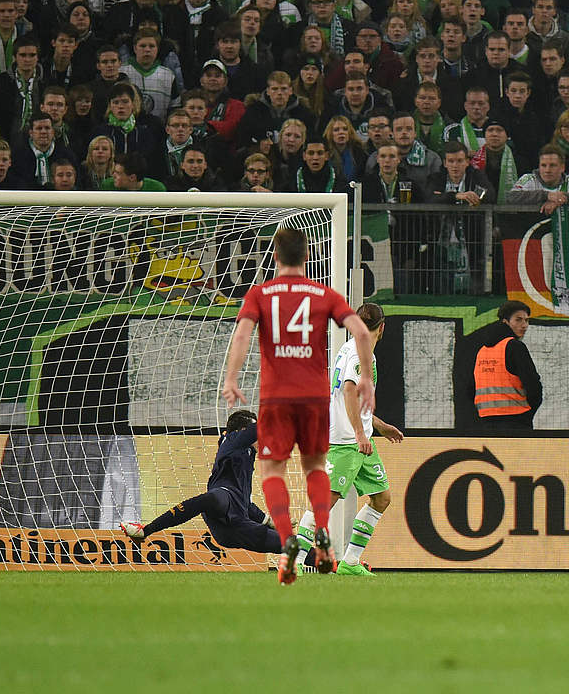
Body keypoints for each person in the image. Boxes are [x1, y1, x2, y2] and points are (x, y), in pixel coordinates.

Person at [220, 227, 376, 585]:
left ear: (275, 257)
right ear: (306, 257)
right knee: (315, 467)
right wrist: (366, 377)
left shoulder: (260, 294)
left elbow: (242, 334)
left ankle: (289, 538)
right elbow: (363, 333)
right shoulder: (323, 293)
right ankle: (321, 529)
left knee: (273, 471)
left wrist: (231, 378)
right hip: (313, 396)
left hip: (277, 396)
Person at [291, 303, 402, 577]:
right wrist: (360, 433)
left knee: (382, 498)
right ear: (383, 328)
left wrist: (379, 426)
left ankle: (351, 562)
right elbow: (350, 391)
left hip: (359, 440)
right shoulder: (357, 355)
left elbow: (347, 398)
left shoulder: (349, 349)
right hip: (347, 441)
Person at [120, 410, 284, 555]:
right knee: (211, 498)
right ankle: (146, 529)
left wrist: (269, 521)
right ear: (242, 430)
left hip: (236, 528)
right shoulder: (233, 439)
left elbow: (246, 504)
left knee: (293, 545)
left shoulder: (246, 458)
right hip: (223, 504)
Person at [472, 300, 542, 430]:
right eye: (518, 320)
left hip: (486, 420)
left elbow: (472, 386)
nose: (524, 325)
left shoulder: (482, 350)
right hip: (516, 419)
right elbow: (533, 384)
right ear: (505, 322)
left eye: (526, 320)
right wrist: (527, 413)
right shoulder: (515, 347)